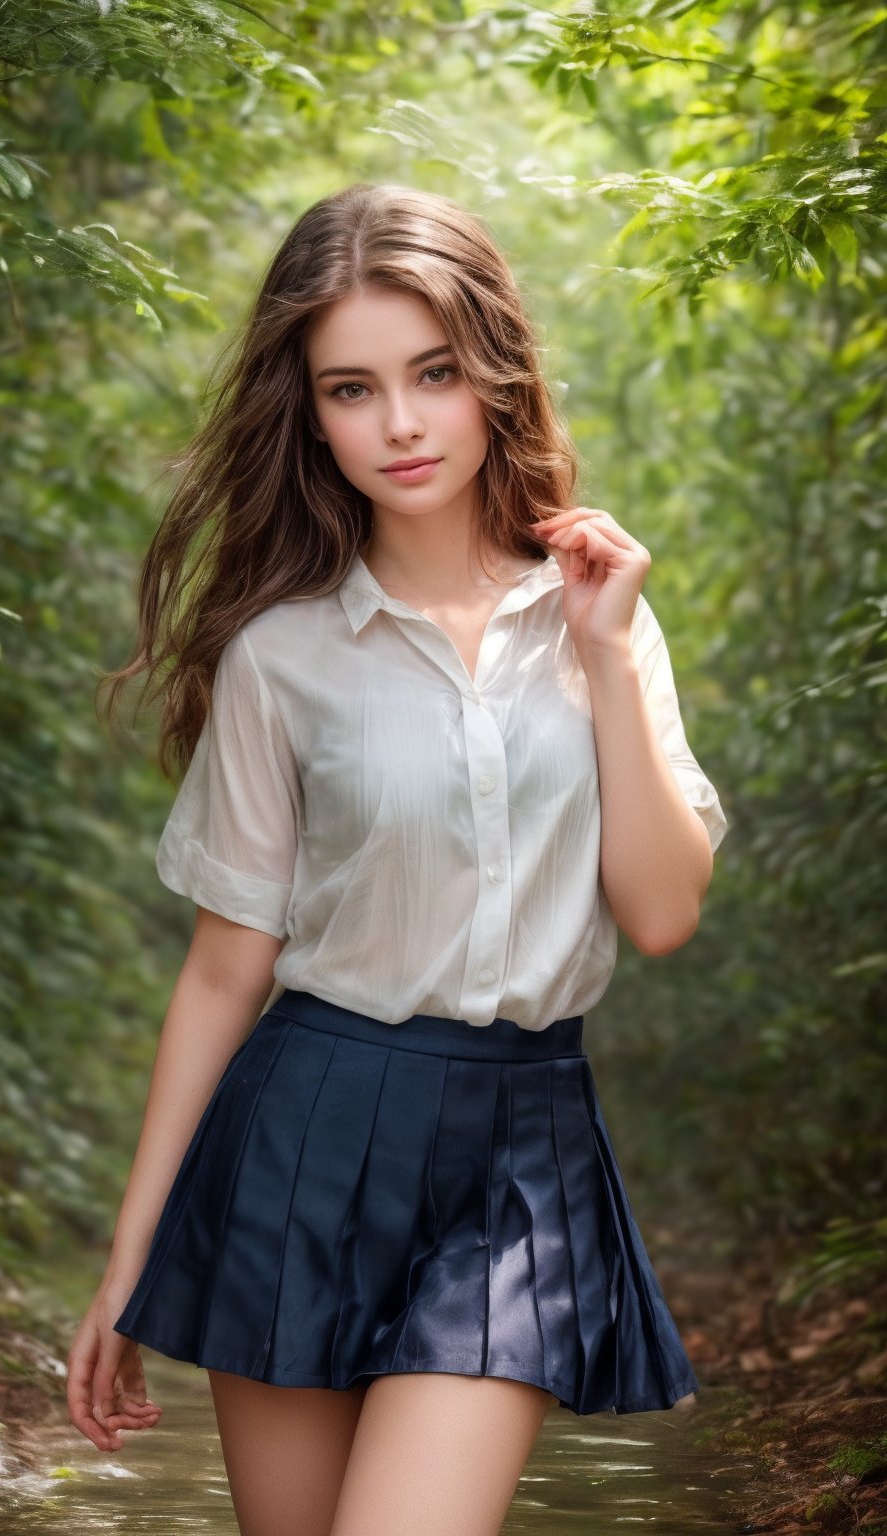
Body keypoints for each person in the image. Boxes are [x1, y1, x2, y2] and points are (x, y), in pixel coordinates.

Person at [66, 182, 728, 1536]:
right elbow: (220, 975)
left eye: (433, 374)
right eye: (352, 389)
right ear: (308, 413)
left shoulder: (602, 621)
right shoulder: (283, 656)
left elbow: (661, 914)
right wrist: (127, 1265)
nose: (403, 423)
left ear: (495, 372)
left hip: (521, 1150)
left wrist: (604, 655)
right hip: (303, 1137)